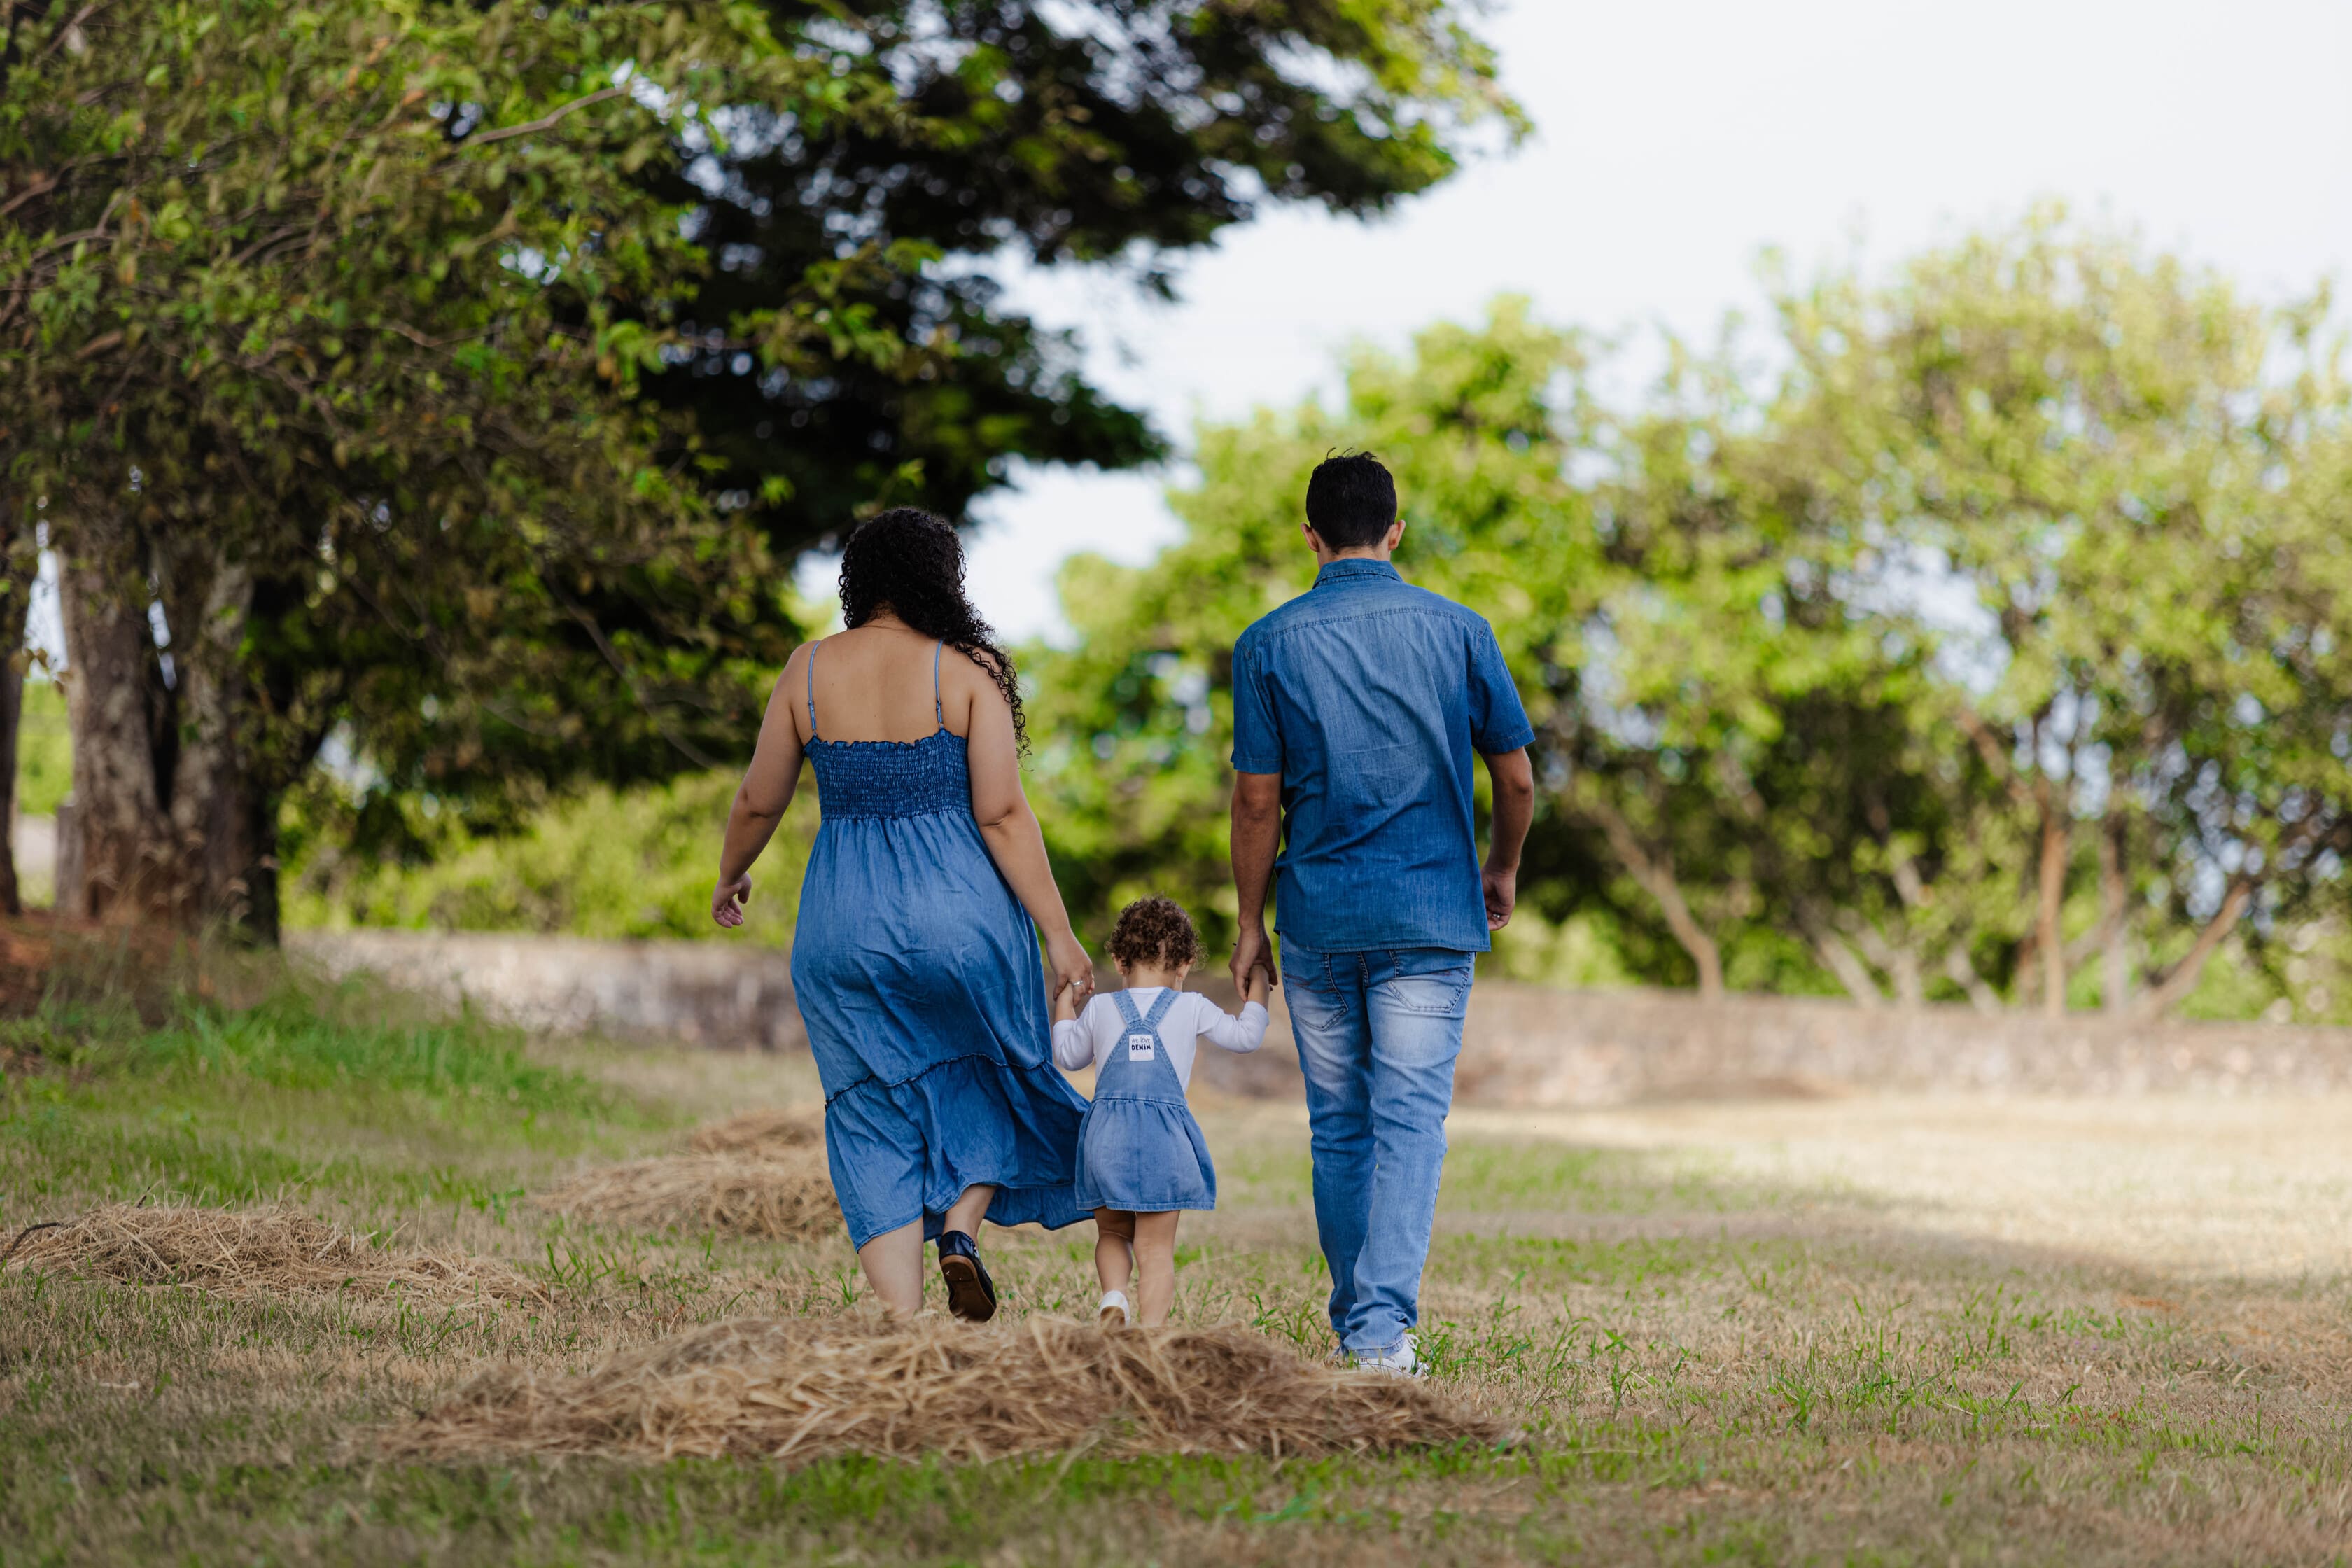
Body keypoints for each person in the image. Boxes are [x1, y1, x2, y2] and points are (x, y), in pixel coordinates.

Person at [712, 507, 1094, 1322]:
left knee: (867, 1105)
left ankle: (900, 1324)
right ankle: (960, 1228)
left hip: (840, 928)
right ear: (941, 580)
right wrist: (1060, 936)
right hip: (960, 922)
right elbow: (1002, 814)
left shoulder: (808, 670)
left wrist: (730, 875)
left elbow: (757, 798)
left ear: (857, 581)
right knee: (998, 1068)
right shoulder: (965, 670)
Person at [1226, 451, 1536, 1376]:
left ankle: (1358, 1324)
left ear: (1311, 537)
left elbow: (1254, 802)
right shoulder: (1463, 631)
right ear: (1395, 532)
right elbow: (1515, 775)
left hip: (1319, 919)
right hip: (1433, 914)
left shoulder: (1267, 644)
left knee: (1340, 1126)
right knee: (1408, 1124)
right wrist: (1503, 867)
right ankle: (1378, 1336)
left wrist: (1250, 924)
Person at [1051, 896, 1269, 1327]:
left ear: (1118, 959)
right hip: (1162, 1144)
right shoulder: (1192, 1007)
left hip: (1105, 1140)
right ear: (1186, 964)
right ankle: (1149, 1338)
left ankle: (1114, 1297)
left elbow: (1066, 1056)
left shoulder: (1100, 1008)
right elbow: (1247, 1037)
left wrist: (1065, 1003)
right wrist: (1259, 978)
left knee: (1112, 1233)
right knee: (1155, 1250)